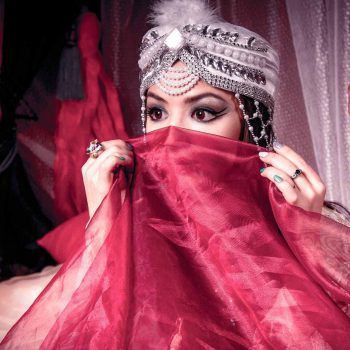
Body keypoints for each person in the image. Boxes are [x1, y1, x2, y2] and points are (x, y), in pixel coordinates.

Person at [1, 0, 350, 348]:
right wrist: (104, 221)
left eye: (203, 112)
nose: (172, 135)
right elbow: (107, 323)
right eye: (157, 112)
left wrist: (309, 235)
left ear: (250, 121)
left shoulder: (298, 206)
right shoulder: (137, 207)